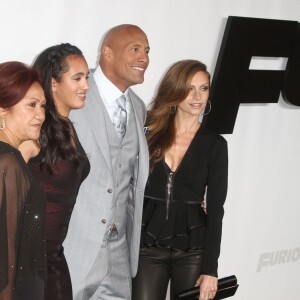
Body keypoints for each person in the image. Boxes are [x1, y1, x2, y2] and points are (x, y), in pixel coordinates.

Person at [63, 24, 150, 300]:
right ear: (107, 53)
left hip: (119, 248)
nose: (144, 58)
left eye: (147, 51)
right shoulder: (73, 95)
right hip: (75, 244)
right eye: (135, 49)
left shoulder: (138, 107)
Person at [132, 59, 228, 300]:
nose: (197, 96)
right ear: (175, 91)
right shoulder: (148, 135)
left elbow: (216, 209)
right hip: (147, 246)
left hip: (193, 249)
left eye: (203, 88)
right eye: (189, 88)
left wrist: (210, 270)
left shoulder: (215, 145)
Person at [19, 43, 90, 299]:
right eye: (77, 78)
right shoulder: (36, 130)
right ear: (54, 83)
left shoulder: (68, 127)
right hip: (26, 260)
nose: (86, 86)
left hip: (54, 256)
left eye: (87, 78)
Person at [0, 61, 46, 299]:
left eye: (42, 106)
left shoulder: (11, 159)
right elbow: (4, 258)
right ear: (2, 109)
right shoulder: (8, 163)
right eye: (31, 105)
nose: (40, 114)